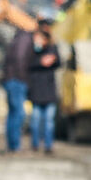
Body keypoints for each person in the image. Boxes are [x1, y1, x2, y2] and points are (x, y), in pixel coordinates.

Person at [27, 25, 60, 154]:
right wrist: (40, 62)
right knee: (35, 121)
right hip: (36, 92)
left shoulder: (52, 49)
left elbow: (58, 63)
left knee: (48, 122)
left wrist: (52, 59)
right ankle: (35, 144)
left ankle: (48, 145)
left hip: (49, 93)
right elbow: (28, 64)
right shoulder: (32, 51)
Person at [2, 24, 34, 152]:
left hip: (10, 79)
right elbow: (20, 59)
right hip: (17, 80)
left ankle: (11, 144)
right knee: (19, 113)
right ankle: (14, 145)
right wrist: (24, 78)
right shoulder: (25, 39)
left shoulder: (17, 38)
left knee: (12, 113)